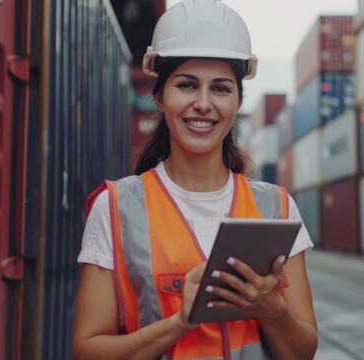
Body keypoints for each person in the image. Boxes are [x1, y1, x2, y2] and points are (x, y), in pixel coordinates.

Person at [71, 1, 318, 359]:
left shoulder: (276, 207)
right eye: (187, 85)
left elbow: (302, 354)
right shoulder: (116, 208)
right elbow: (86, 351)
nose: (203, 104)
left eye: (220, 88)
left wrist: (272, 309)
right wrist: (179, 323)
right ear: (159, 96)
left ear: (237, 101)